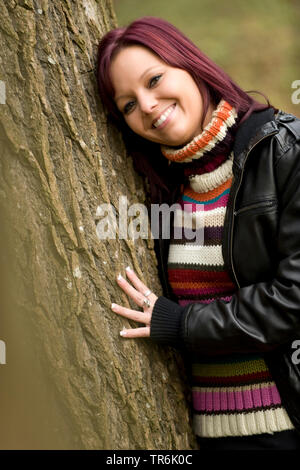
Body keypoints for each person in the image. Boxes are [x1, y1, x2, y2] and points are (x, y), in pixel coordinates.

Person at [96, 16, 300, 450]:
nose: (148, 105)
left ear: (190, 65)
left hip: (286, 427)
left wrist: (181, 323)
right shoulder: (165, 190)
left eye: (155, 80)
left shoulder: (283, 150)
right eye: (128, 104)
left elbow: (293, 299)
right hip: (202, 438)